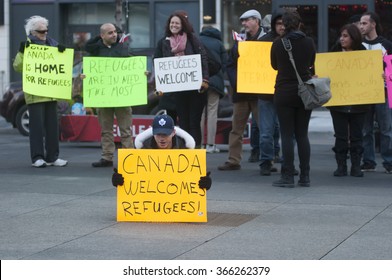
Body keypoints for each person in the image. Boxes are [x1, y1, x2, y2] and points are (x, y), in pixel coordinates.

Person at [270, 10, 316, 187]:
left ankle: (287, 176)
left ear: (285, 25)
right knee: (302, 134)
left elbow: (274, 66)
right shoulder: (309, 42)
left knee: (287, 135)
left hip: (284, 92)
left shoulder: (278, 43)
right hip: (304, 92)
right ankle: (305, 176)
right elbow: (311, 63)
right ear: (299, 24)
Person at [16, 15, 67, 168]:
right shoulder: (28, 46)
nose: (44, 33)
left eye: (46, 30)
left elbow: (62, 67)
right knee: (36, 128)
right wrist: (22, 52)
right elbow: (18, 67)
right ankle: (37, 157)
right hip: (35, 94)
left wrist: (62, 54)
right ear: (32, 32)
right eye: (41, 31)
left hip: (51, 93)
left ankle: (53, 157)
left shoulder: (53, 45)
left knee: (52, 127)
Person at [218, 9, 265, 171]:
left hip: (260, 92)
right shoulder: (240, 40)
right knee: (236, 129)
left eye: (247, 20)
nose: (243, 24)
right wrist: (237, 81)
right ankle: (233, 160)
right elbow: (230, 64)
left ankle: (268, 160)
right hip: (242, 92)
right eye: (242, 21)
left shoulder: (266, 40)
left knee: (265, 129)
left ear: (257, 21)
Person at [153, 11, 209, 148]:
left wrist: (205, 79)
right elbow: (157, 62)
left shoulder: (192, 39)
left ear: (182, 25)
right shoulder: (163, 42)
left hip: (196, 89)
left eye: (177, 23)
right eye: (172, 23)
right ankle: (184, 151)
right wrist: (159, 84)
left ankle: (195, 152)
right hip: (178, 91)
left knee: (194, 122)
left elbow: (203, 58)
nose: (174, 25)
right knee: (183, 123)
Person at [112, 114, 211, 190]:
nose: (162, 139)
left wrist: (204, 182)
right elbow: (134, 178)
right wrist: (120, 180)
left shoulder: (185, 151)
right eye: (158, 134)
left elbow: (191, 180)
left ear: (173, 133)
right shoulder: (143, 150)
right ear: (152, 133)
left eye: (165, 134)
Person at [85, 23, 134, 167]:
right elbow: (89, 68)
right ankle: (107, 157)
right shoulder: (95, 50)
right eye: (110, 33)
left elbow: (133, 65)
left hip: (122, 96)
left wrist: (141, 72)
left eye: (115, 32)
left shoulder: (123, 47)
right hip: (104, 96)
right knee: (106, 129)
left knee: (125, 129)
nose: (114, 35)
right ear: (102, 36)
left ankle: (129, 157)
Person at [328, 24, 369, 177]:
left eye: (345, 36)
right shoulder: (335, 51)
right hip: (338, 102)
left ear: (354, 37)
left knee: (357, 135)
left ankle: (356, 165)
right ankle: (341, 165)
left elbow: (370, 74)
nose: (341, 39)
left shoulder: (363, 53)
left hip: (359, 102)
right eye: (341, 35)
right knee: (340, 135)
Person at [359, 12, 392, 174]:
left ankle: (389, 161)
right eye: (360, 23)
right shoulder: (358, 45)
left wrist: (387, 74)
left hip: (384, 91)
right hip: (364, 92)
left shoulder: (386, 44)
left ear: (373, 24)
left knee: (386, 129)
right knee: (366, 129)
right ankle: (368, 161)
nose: (361, 26)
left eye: (364, 23)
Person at [258, 10, 284, 176]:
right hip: (266, 94)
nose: (281, 26)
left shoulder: (293, 40)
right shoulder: (263, 42)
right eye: (278, 23)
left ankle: (286, 160)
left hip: (285, 93)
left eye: (284, 23)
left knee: (288, 133)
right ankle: (266, 161)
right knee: (266, 132)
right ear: (273, 25)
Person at [199, 25, 228, 153]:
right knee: (212, 113)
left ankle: (199, 144)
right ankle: (211, 145)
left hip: (199, 81)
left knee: (200, 113)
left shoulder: (197, 40)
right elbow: (225, 63)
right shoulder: (219, 43)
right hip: (215, 82)